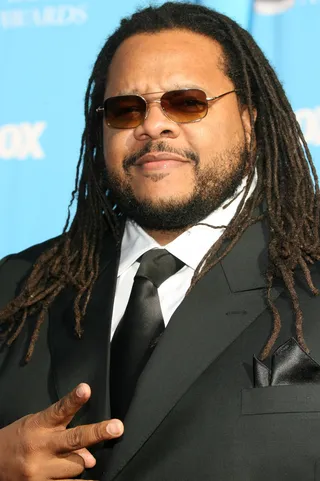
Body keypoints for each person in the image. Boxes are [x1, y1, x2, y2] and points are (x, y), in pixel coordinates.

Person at [1, 2, 320, 480]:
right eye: (126, 109)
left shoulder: (309, 278)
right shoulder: (17, 288)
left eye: (187, 102)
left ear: (251, 119)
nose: (153, 125)